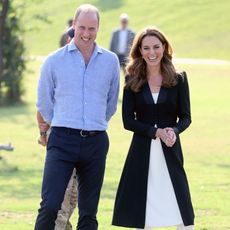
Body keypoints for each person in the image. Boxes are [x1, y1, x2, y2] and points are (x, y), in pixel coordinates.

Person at [35, 4, 120, 230]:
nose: (86, 33)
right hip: (62, 140)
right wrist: (62, 123)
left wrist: (95, 122)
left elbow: (111, 102)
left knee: (89, 212)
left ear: (98, 28)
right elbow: (44, 101)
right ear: (74, 25)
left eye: (92, 28)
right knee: (50, 205)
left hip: (96, 142)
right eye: (82, 27)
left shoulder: (110, 61)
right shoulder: (54, 61)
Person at [112, 27, 195, 230]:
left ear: (164, 47)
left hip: (170, 150)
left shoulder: (179, 78)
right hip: (141, 152)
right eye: (146, 48)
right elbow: (127, 121)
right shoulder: (131, 79)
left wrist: (173, 132)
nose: (152, 53)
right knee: (144, 209)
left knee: (181, 207)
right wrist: (155, 132)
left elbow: (186, 118)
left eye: (156, 47)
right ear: (139, 50)